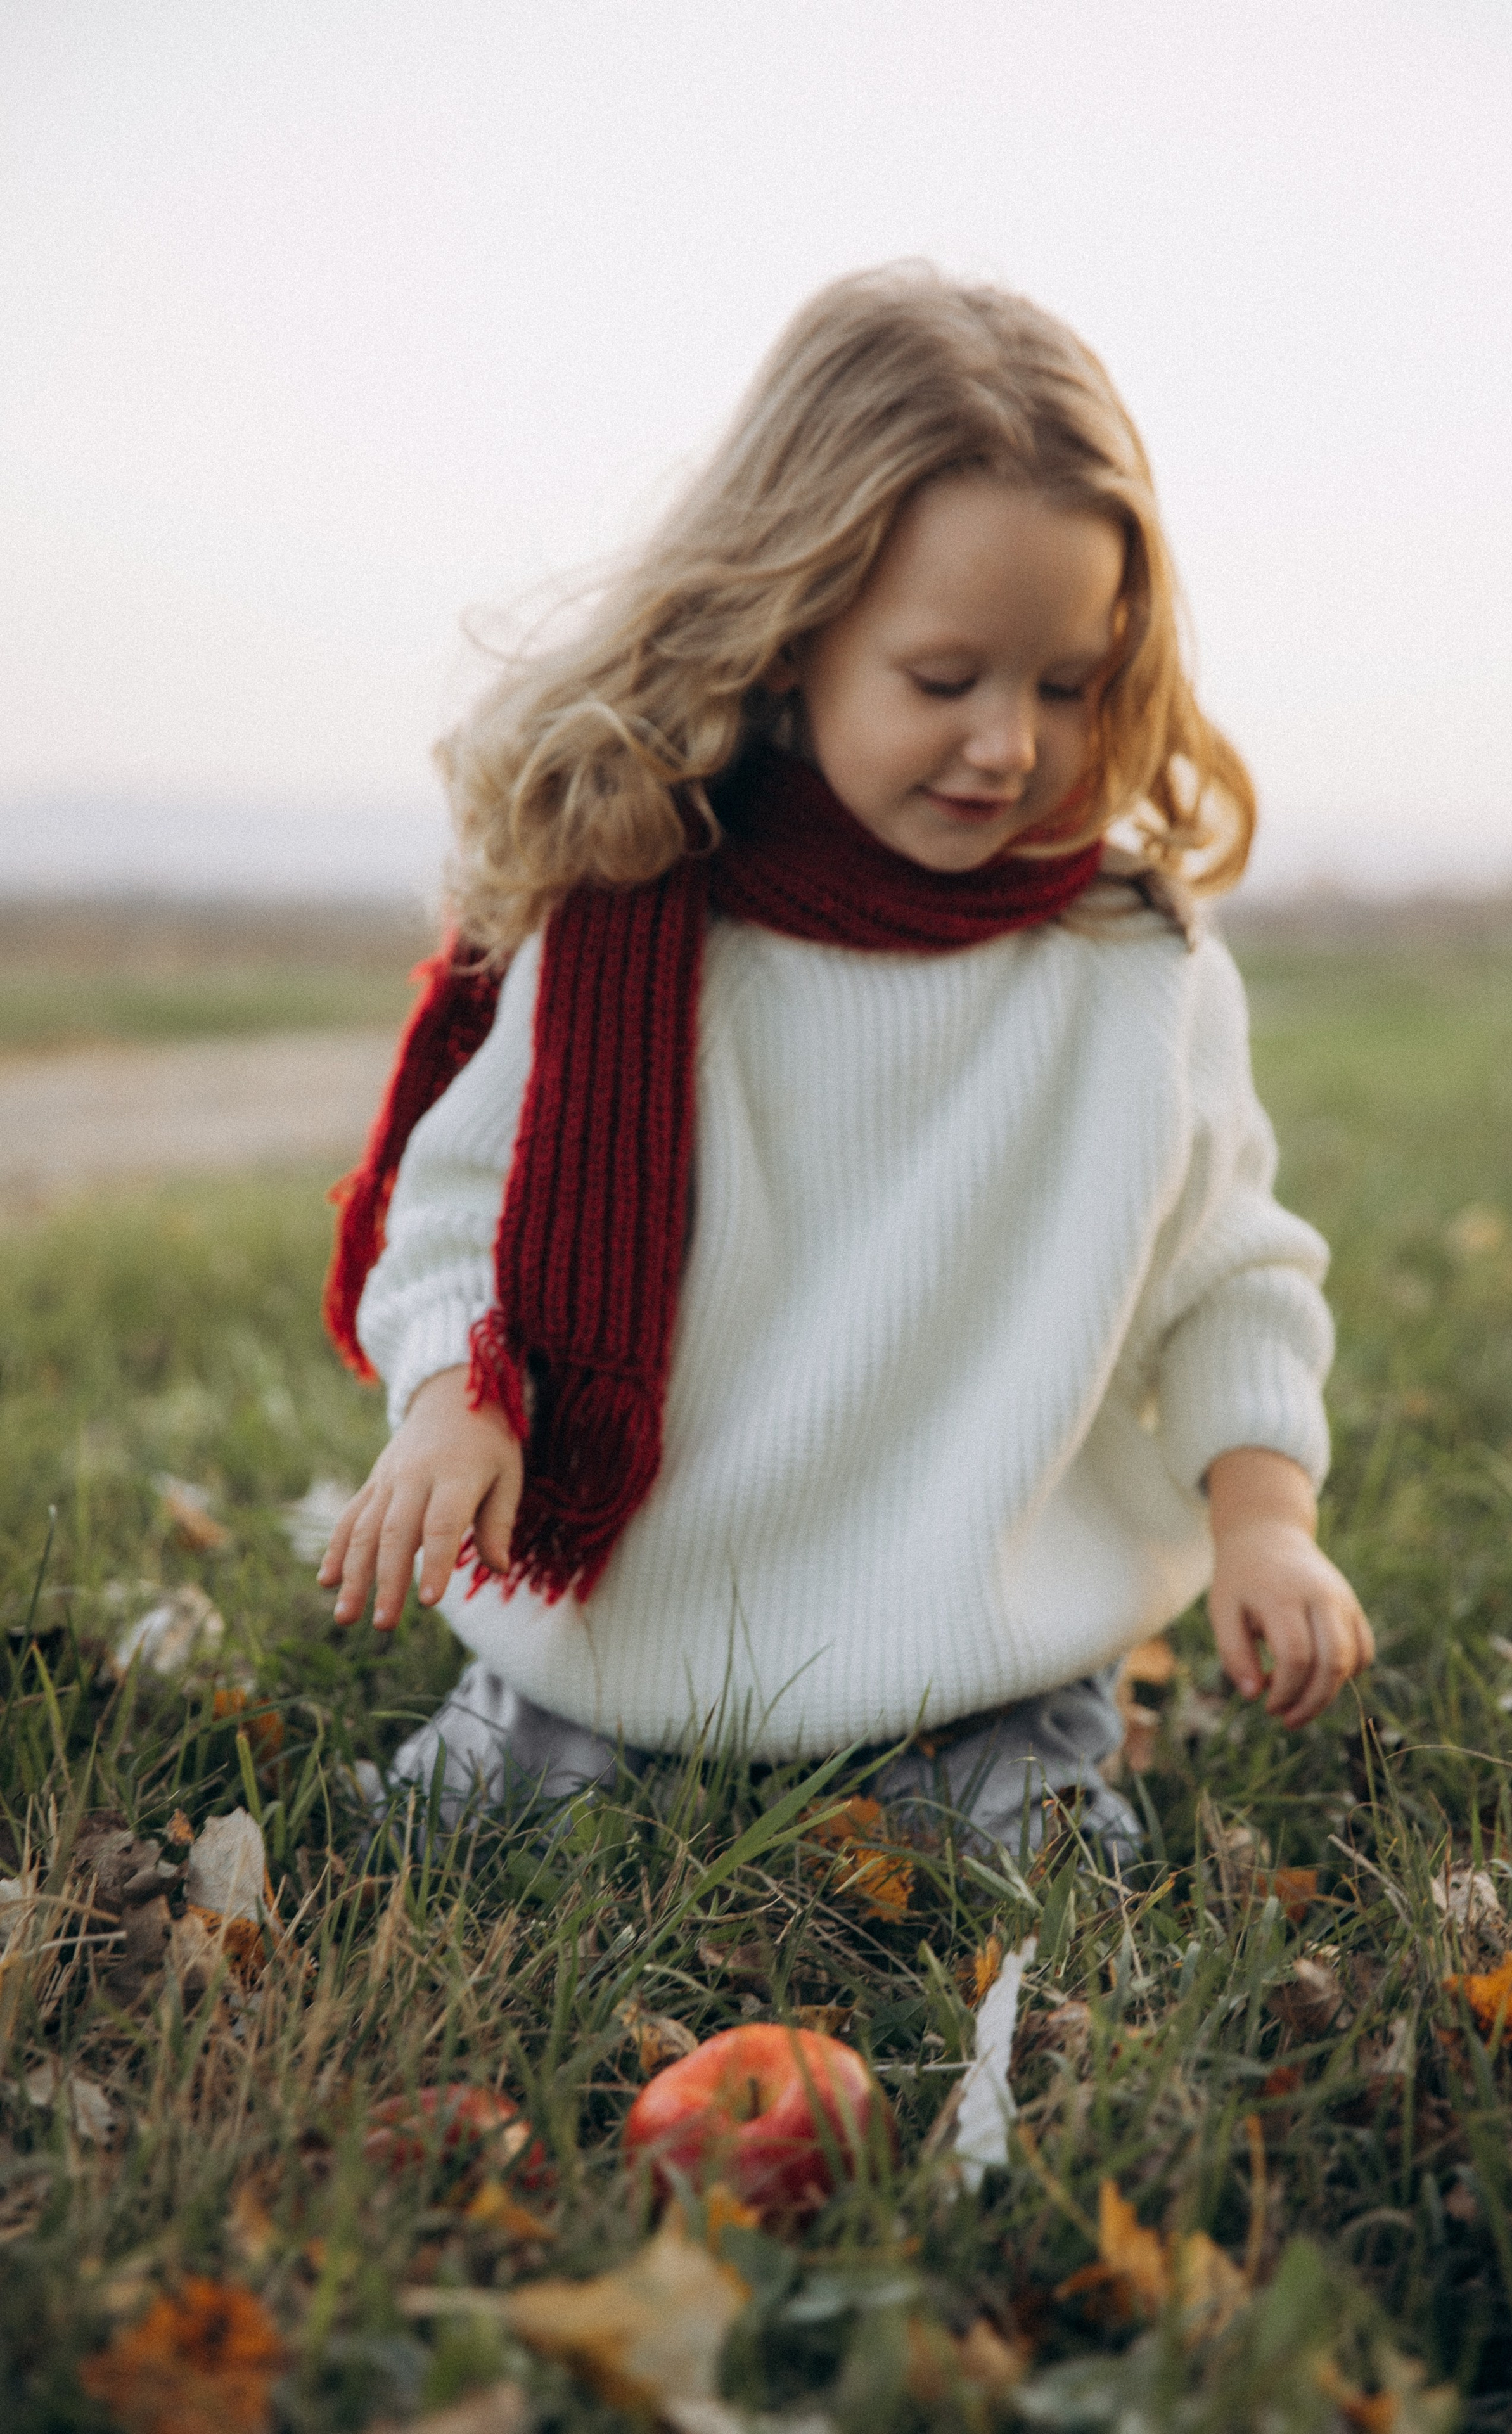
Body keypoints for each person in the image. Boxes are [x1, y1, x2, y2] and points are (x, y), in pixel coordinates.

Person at [319, 264, 1372, 1858]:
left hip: (981, 1659)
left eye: (1067, 684)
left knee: (1040, 1874)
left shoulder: (1132, 966)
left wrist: (1262, 1519)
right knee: (447, 1845)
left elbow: (1225, 1271)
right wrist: (460, 1403)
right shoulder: (636, 911)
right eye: (944, 680)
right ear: (792, 637)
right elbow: (462, 1211)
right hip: (624, 1640)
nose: (1009, 743)